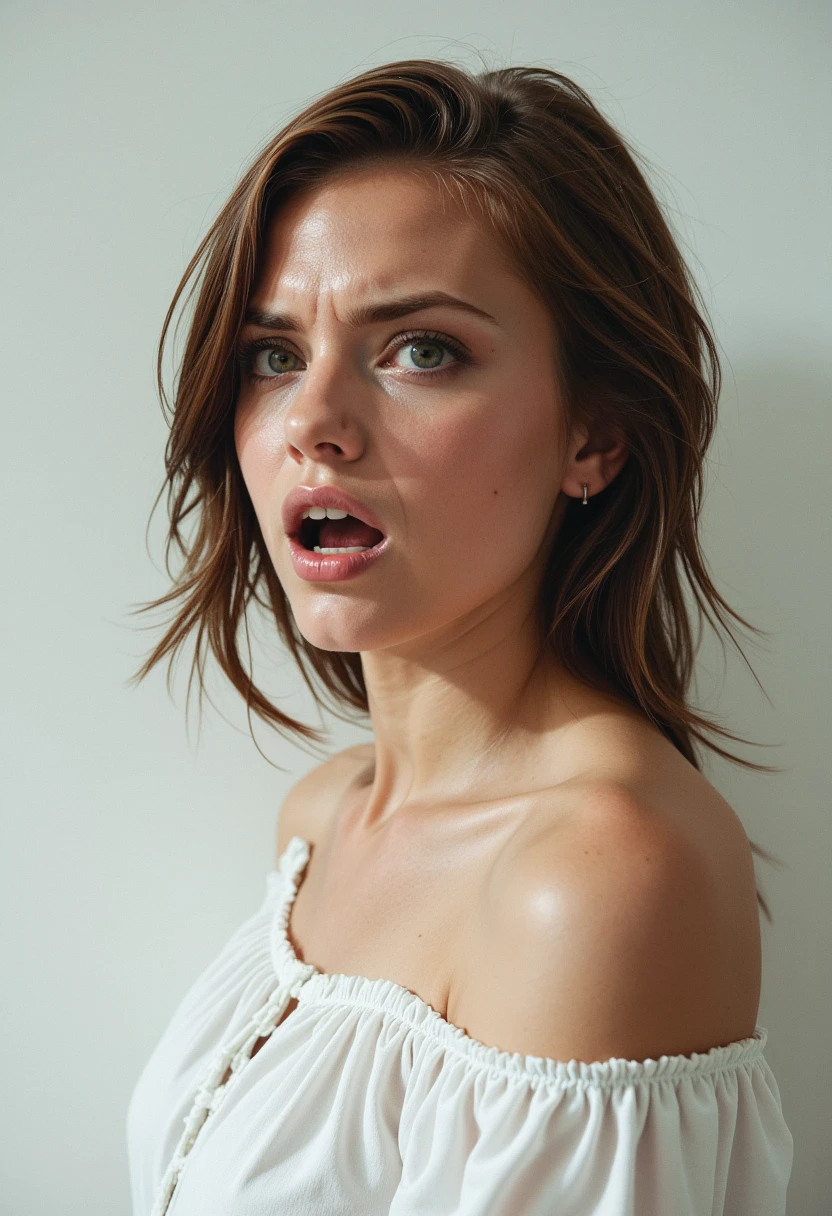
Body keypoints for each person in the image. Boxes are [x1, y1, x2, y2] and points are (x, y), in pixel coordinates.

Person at [125, 59, 793, 1215]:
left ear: (595, 435)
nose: (313, 424)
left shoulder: (598, 877)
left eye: (420, 349)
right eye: (272, 356)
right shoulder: (323, 819)